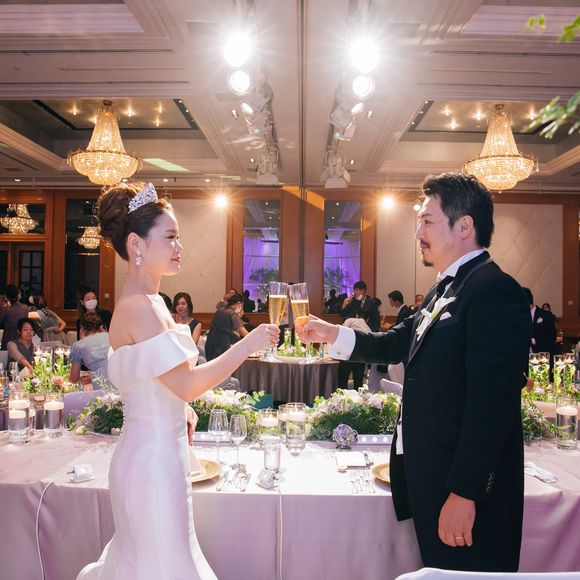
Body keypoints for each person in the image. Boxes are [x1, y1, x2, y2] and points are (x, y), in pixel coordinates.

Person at [297, 173, 531, 573]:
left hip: (465, 490)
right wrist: (331, 333)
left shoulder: (494, 290)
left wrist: (464, 494)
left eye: (427, 221)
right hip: (433, 476)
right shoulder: (445, 290)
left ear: (464, 226)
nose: (418, 233)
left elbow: (492, 406)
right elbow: (394, 343)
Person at [76, 182, 278, 580]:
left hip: (158, 456)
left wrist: (179, 409)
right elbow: (186, 383)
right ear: (136, 244)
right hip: (151, 464)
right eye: (170, 237)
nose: (179, 247)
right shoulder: (141, 307)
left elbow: (162, 384)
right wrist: (247, 344)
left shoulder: (153, 304)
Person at [69, 312, 111, 387]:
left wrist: (67, 379)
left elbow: (74, 379)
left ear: (82, 328)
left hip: (103, 386)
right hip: (120, 377)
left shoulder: (79, 345)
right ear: (100, 327)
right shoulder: (110, 336)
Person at [204, 293, 248, 361]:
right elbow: (244, 333)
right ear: (239, 303)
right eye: (242, 306)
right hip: (222, 346)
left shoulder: (219, 310)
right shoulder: (232, 314)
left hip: (210, 343)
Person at [522, 288, 557, 355]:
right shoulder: (519, 316)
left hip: (541, 355)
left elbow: (552, 337)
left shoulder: (546, 315)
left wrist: (533, 341)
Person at [0, 284, 29, 350]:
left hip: (9, 338)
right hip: (22, 337)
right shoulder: (25, 308)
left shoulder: (6, 310)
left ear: (6, 297)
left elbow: (1, 321)